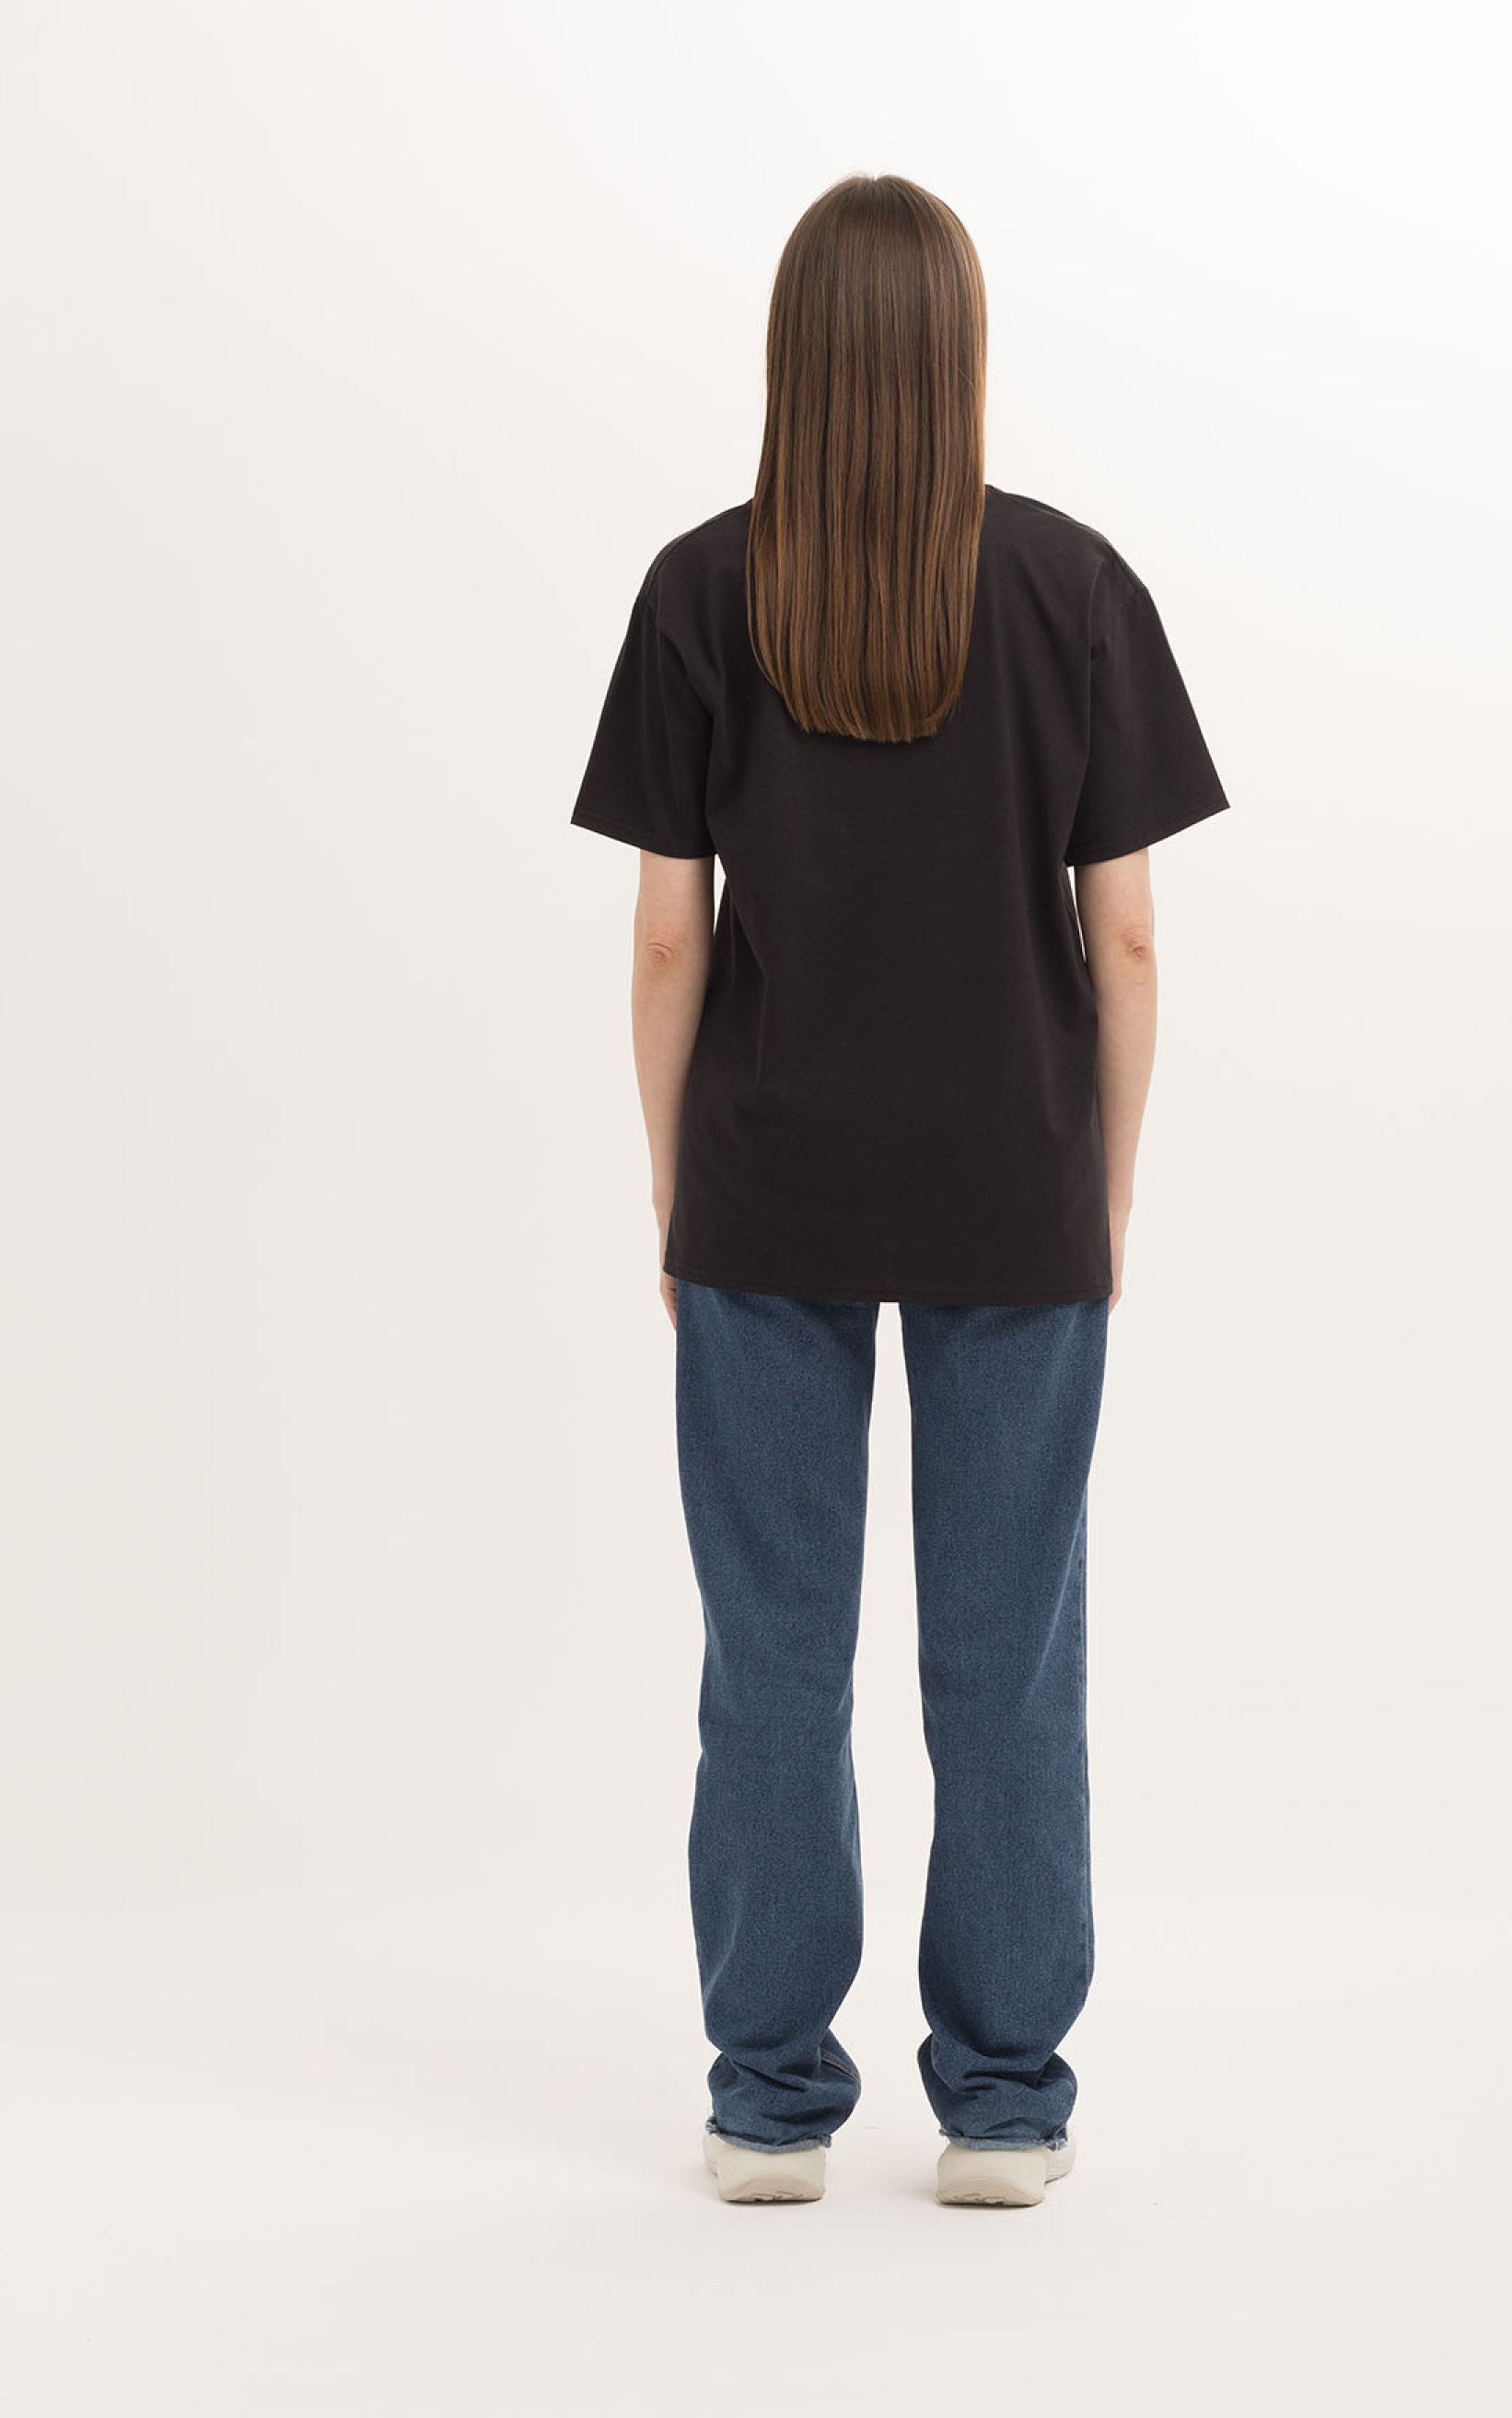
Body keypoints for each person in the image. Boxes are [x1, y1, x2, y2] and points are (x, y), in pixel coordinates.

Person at [568, 173, 1230, 2208]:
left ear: (794, 353)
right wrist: (1105, 1191)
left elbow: (666, 940)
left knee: (768, 1657)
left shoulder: (699, 590)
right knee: (1005, 1656)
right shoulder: (1071, 588)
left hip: (764, 1192)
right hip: (1015, 1190)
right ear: (959, 354)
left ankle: (768, 2101)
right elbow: (1127, 939)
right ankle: (1004, 2105)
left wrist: (672, 1192)